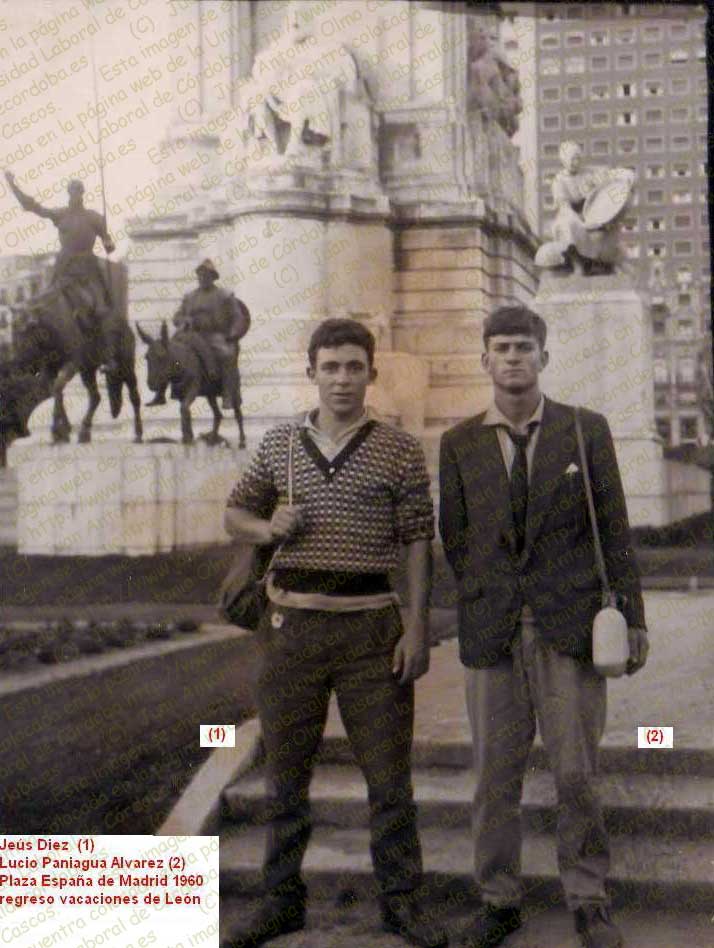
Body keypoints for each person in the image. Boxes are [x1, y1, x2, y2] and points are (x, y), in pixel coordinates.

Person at [222, 318, 447, 948]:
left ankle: (401, 902)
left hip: (371, 630)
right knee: (286, 776)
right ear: (312, 372)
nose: (342, 379)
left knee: (389, 780)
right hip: (290, 629)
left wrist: (417, 626)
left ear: (371, 373)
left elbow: (417, 541)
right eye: (330, 367)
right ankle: (281, 901)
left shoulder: (398, 449)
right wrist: (267, 529)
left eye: (353, 367)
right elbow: (235, 513)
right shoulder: (281, 443)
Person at [439, 306, 648, 948]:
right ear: (485, 359)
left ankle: (588, 898)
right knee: (493, 778)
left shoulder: (585, 430)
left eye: (524, 347)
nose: (512, 358)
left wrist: (633, 620)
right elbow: (457, 538)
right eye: (501, 347)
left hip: (570, 629)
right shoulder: (459, 442)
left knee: (576, 773)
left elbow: (613, 528)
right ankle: (498, 898)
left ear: (544, 357)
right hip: (495, 634)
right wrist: (486, 600)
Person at [4, 171, 121, 373]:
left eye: (77, 192)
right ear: (68, 193)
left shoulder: (94, 217)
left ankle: (109, 357)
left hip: (87, 273)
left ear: (82, 194)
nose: (74, 195)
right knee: (38, 306)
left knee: (101, 309)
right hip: (63, 272)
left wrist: (109, 242)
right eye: (71, 192)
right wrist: (13, 186)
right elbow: (33, 207)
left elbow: (108, 243)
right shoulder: (61, 215)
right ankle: (34, 354)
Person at [534, 141, 635, 275]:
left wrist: (626, 177)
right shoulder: (559, 181)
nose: (575, 162)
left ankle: (610, 262)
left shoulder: (589, 174)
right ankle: (578, 264)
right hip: (571, 216)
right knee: (567, 225)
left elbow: (611, 181)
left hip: (595, 215)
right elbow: (564, 207)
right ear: (563, 160)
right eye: (572, 159)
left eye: (578, 158)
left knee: (610, 226)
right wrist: (583, 223)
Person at [163, 259, 249, 409]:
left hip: (214, 335)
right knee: (169, 353)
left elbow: (238, 318)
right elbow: (177, 317)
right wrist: (184, 320)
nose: (202, 278)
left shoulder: (224, 296)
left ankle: (228, 394)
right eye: (200, 275)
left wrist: (232, 334)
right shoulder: (190, 297)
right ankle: (166, 389)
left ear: (213, 277)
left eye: (206, 275)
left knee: (227, 355)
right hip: (191, 336)